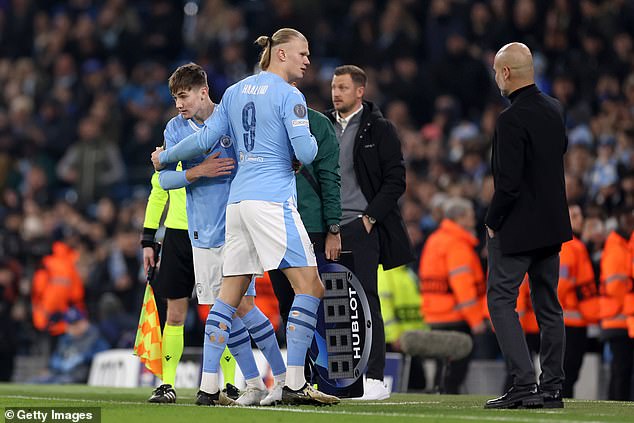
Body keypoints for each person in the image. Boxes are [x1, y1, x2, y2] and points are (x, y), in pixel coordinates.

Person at [152, 28, 339, 406]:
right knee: (312, 287)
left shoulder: (235, 92)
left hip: (236, 207)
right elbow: (306, 148)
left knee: (228, 298)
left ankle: (207, 387)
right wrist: (304, 149)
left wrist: (165, 158)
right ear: (281, 55)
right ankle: (296, 381)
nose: (307, 60)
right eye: (302, 53)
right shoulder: (290, 95)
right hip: (271, 202)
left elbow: (204, 141)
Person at [156, 62, 287, 406]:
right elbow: (164, 179)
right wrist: (197, 172)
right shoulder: (174, 128)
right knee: (223, 309)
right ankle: (257, 383)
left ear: (203, 91)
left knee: (242, 304)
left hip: (238, 227)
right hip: (201, 231)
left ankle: (283, 377)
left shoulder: (229, 119)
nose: (179, 105)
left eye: (183, 96)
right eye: (174, 98)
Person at [484, 42, 572, 409]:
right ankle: (552, 387)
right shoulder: (554, 109)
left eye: (495, 71)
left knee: (501, 300)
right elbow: (559, 155)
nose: (495, 78)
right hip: (551, 227)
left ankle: (523, 384)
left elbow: (509, 182)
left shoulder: (510, 119)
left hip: (517, 229)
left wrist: (492, 220)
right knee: (549, 305)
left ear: (506, 73)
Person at [326, 64, 414, 400]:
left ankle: (375, 377)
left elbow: (396, 180)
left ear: (360, 91)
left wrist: (369, 218)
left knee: (365, 301)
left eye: (343, 88)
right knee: (333, 302)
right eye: (334, 87)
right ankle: (341, 377)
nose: (336, 93)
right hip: (328, 228)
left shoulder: (379, 128)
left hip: (361, 227)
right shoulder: (321, 125)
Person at [142, 152, 239, 403]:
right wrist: (148, 239)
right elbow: (158, 192)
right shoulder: (171, 145)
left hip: (214, 231)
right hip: (177, 235)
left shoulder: (220, 140)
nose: (181, 109)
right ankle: (167, 385)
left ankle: (229, 384)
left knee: (224, 309)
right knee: (174, 313)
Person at [268, 106, 341, 341]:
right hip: (272, 226)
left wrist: (333, 227)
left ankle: (319, 372)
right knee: (286, 305)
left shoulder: (317, 123)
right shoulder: (261, 120)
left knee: (314, 303)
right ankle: (300, 373)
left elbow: (330, 177)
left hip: (310, 227)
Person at [418, 197, 486, 394]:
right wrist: (475, 320)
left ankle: (440, 395)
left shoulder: (435, 239)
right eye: (470, 215)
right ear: (460, 218)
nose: (474, 219)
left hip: (434, 314)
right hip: (455, 316)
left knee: (443, 367)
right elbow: (463, 287)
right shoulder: (457, 244)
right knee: (454, 372)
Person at [557, 204, 599, 398]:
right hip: (570, 322)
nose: (580, 219)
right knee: (567, 374)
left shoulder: (576, 246)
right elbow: (560, 286)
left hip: (577, 321)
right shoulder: (568, 247)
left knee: (570, 374)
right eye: (574, 216)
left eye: (580, 215)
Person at [598, 207, 634, 401]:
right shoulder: (616, 247)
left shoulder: (621, 246)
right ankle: (616, 403)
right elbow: (616, 287)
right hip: (618, 319)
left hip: (620, 319)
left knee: (622, 370)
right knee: (621, 371)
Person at [30, 307, 109, 384]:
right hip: (60, 374)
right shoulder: (65, 339)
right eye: (70, 324)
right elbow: (56, 357)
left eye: (75, 323)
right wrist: (58, 363)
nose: (73, 327)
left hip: (81, 376)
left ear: (84, 322)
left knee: (61, 382)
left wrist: (83, 357)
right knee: (35, 381)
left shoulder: (94, 336)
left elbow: (104, 352)